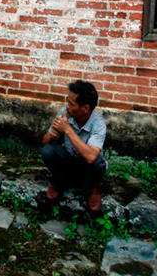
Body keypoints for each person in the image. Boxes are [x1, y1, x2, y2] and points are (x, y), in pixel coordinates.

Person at [40, 80, 107, 212]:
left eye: (71, 104)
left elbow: (91, 157)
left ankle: (93, 186)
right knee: (48, 151)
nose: (67, 106)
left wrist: (67, 130)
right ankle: (60, 180)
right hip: (69, 160)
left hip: (87, 166)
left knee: (98, 162)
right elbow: (44, 142)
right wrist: (52, 135)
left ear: (85, 108)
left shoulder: (98, 123)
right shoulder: (65, 113)